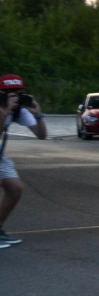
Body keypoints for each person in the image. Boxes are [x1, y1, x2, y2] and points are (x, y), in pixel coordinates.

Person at [0, 74, 48, 247]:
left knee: (14, 188)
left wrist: (38, 113)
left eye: (17, 93)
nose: (15, 97)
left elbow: (42, 135)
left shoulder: (18, 111)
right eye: (9, 93)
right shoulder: (4, 109)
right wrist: (4, 111)